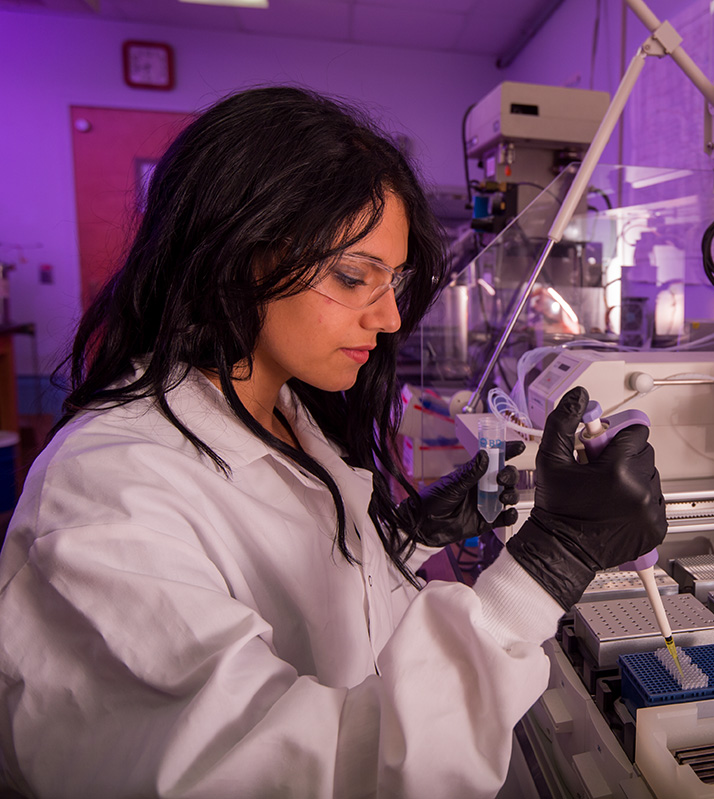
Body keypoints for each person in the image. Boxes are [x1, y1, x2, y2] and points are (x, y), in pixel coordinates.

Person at [0, 86, 666, 798]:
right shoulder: (109, 496)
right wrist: (549, 562)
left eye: (395, 280)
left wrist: (404, 538)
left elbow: (307, 608)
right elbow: (308, 772)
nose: (386, 317)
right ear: (233, 256)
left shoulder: (277, 406)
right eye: (354, 277)